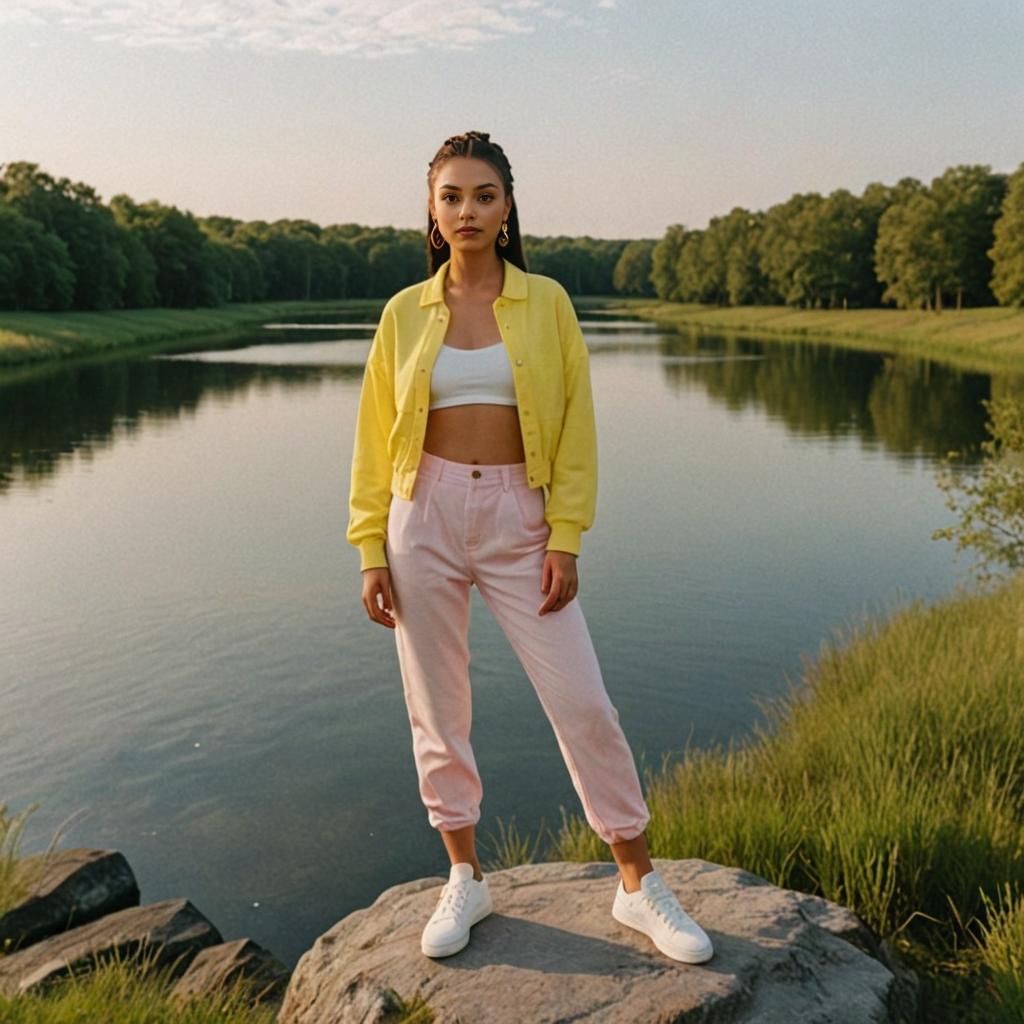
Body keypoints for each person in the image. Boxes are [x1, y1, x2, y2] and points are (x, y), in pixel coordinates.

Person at [347, 130, 713, 965]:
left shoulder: (546, 302)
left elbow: (578, 424)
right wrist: (370, 546)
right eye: (451, 197)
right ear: (432, 213)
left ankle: (636, 884)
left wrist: (567, 535)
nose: (467, 210)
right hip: (422, 514)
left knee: (583, 702)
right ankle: (466, 875)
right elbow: (373, 438)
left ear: (507, 207)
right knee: (438, 710)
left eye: (483, 194)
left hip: (524, 517)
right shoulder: (405, 312)